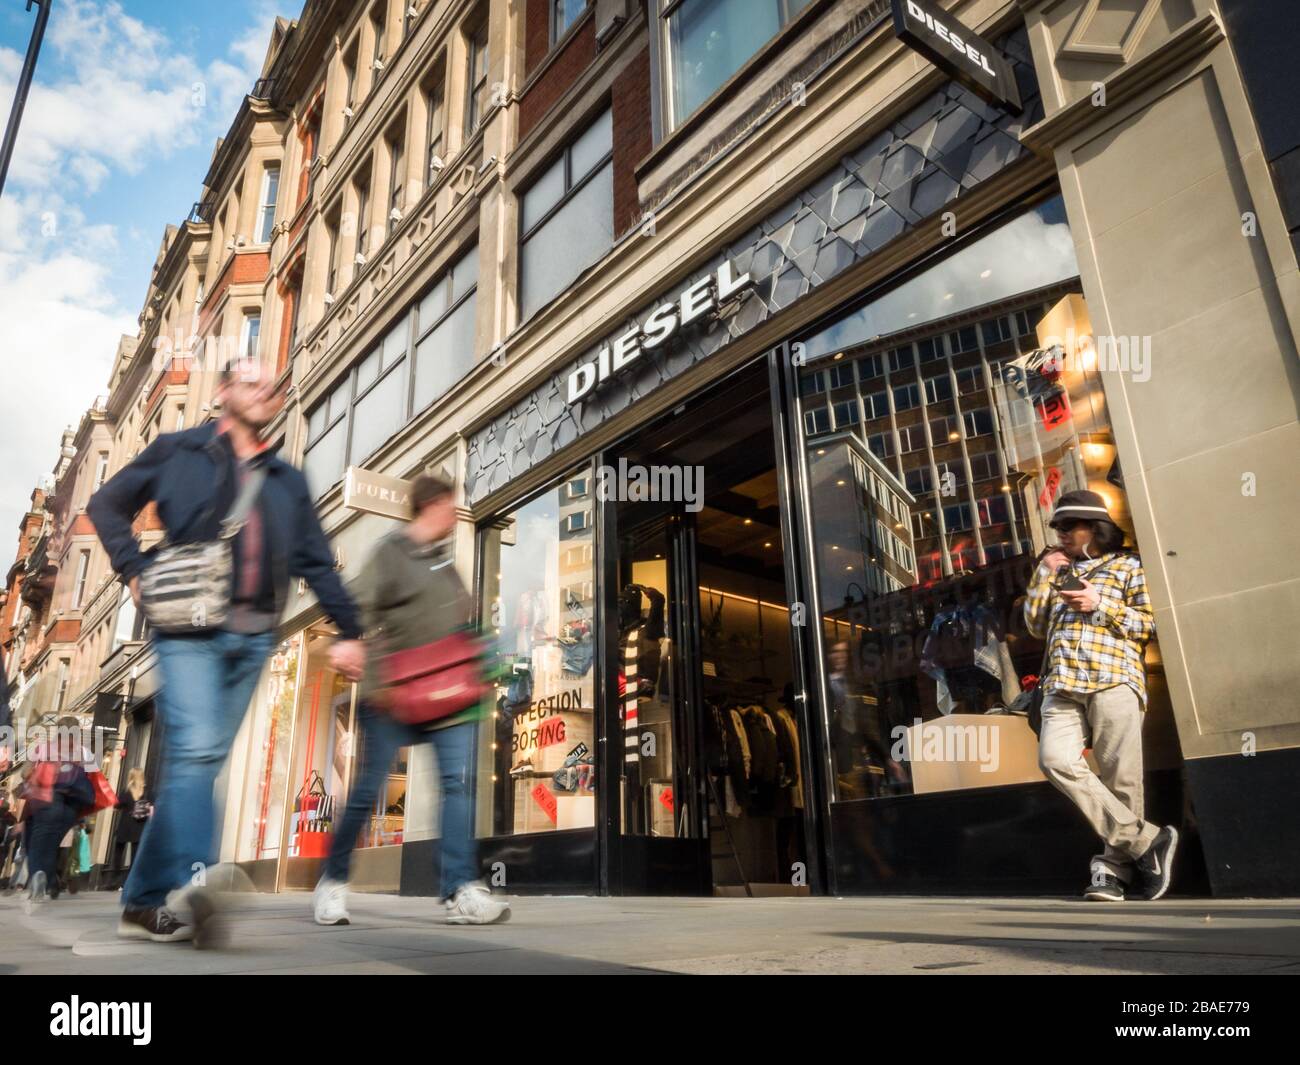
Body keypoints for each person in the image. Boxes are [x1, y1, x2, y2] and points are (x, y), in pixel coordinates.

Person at [89, 358, 366, 945]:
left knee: (203, 764)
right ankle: (199, 876)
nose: (264, 390)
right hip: (186, 628)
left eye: (270, 385)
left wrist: (349, 631)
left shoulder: (287, 481)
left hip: (253, 636)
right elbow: (106, 506)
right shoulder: (177, 450)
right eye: (249, 381)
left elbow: (316, 561)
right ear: (222, 393)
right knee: (192, 757)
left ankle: (140, 900)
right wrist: (132, 568)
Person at [313, 472, 509, 927]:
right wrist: (348, 641)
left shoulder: (444, 563)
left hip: (449, 697)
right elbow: (358, 603)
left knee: (456, 786)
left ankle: (459, 888)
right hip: (393, 695)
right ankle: (332, 882)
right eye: (451, 507)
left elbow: (462, 624)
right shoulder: (390, 552)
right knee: (366, 791)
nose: (456, 516)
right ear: (432, 506)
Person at [1024, 489, 1177, 902]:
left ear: (1095, 527)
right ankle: (1146, 841)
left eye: (1068, 526)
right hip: (1061, 683)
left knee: (1120, 780)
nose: (1060, 534)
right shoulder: (1060, 570)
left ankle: (1113, 871)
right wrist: (1045, 575)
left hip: (1113, 677)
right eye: (1056, 527)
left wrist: (1098, 603)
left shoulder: (1129, 566)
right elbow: (1036, 626)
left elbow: (1150, 625)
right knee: (1054, 760)